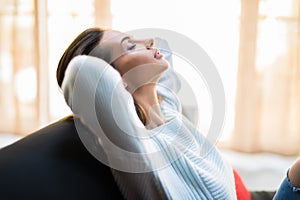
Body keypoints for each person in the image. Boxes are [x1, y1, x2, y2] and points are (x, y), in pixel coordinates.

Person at [56, 27, 299, 200]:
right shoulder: (134, 149)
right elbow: (82, 73)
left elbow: (163, 45)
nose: (149, 41)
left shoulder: (167, 110)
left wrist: (132, 48)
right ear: (115, 83)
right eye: (130, 47)